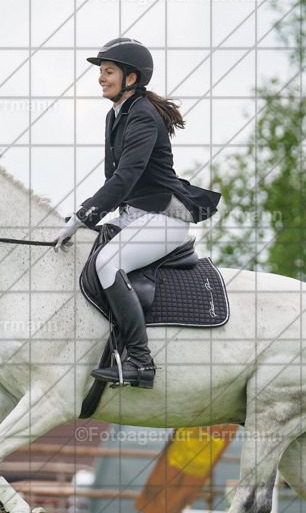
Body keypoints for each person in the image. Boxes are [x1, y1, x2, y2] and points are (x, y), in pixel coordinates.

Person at [55, 38, 220, 389]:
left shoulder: (143, 114)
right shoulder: (116, 114)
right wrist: (87, 220)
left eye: (108, 71)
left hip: (164, 218)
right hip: (136, 215)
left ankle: (141, 363)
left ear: (131, 79)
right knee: (87, 251)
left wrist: (84, 215)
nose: (101, 78)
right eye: (101, 71)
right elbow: (114, 180)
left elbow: (125, 176)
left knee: (107, 264)